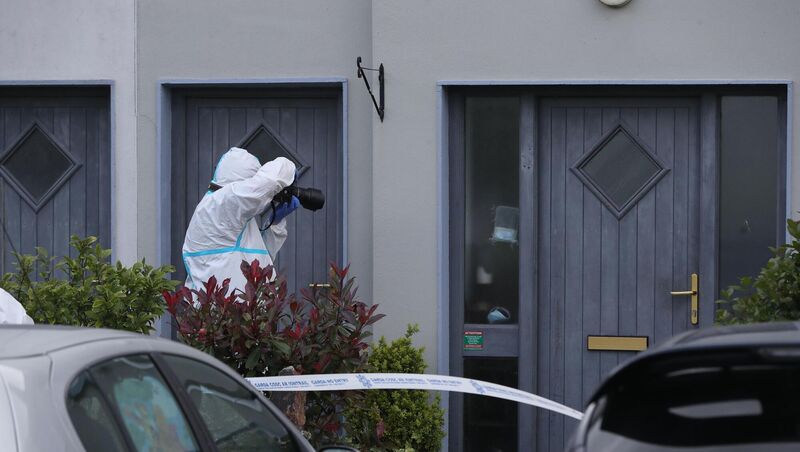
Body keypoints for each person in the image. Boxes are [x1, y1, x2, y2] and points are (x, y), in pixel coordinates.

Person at [182, 147, 299, 292]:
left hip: (245, 312)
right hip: (221, 312)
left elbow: (259, 259)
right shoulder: (220, 204)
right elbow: (270, 181)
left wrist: (275, 223)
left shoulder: (232, 216)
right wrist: (289, 167)